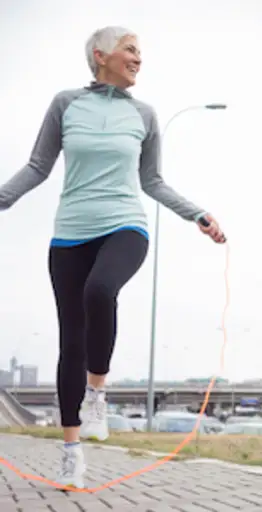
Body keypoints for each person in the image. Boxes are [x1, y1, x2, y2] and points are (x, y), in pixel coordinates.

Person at [0, 26, 226, 489]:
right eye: (131, 50)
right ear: (100, 55)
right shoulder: (66, 104)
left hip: (125, 224)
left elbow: (153, 181)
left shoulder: (144, 114)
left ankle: (96, 394)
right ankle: (71, 452)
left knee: (100, 291)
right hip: (69, 234)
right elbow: (39, 166)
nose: (139, 58)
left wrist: (197, 214)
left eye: (140, 51)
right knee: (71, 341)